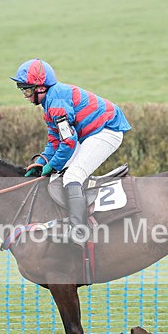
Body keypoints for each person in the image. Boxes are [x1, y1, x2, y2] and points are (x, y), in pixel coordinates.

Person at [11, 58, 131, 245]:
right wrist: (42, 164)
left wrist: (52, 165)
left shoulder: (56, 103)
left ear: (41, 88)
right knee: (58, 173)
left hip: (108, 131)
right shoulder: (48, 105)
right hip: (91, 133)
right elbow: (54, 141)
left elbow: (67, 142)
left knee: (72, 175)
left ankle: (79, 231)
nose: (25, 95)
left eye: (27, 89)